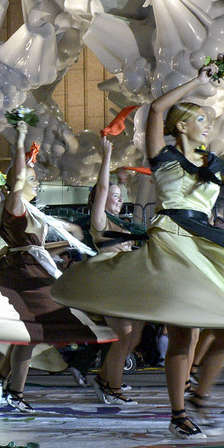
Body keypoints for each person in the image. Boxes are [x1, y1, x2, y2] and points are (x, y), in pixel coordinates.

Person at [53, 68, 224, 437]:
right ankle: (179, 413)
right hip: (172, 242)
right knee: (183, 333)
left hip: (202, 244)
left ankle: (197, 396)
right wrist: (198, 82)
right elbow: (156, 110)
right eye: (200, 119)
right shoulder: (162, 155)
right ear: (181, 126)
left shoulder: (212, 164)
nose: (207, 124)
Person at [0, 119, 115, 413]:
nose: (37, 182)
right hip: (24, 277)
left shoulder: (31, 212)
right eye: (32, 179)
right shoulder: (14, 205)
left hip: (33, 273)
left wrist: (64, 243)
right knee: (52, 325)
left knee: (29, 338)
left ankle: (9, 386)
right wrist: (19, 143)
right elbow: (18, 179)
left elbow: (35, 247)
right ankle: (11, 386)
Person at [86, 131, 146, 406]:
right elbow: (101, 189)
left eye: (121, 196)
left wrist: (123, 182)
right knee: (123, 336)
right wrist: (107, 156)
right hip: (109, 284)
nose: (119, 200)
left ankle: (105, 379)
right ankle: (113, 387)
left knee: (133, 336)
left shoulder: (123, 225)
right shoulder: (100, 222)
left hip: (127, 284)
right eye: (114, 196)